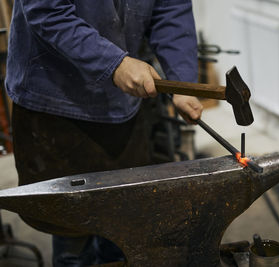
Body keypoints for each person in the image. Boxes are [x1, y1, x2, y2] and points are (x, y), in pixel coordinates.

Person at [5, 0, 203, 265]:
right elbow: (46, 11)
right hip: (55, 103)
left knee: (124, 231)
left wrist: (182, 81)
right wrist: (114, 64)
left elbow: (170, 7)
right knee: (73, 238)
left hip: (122, 105)